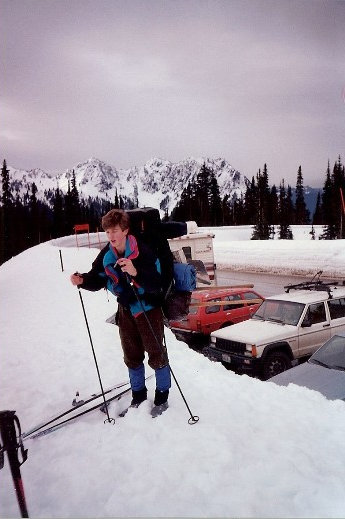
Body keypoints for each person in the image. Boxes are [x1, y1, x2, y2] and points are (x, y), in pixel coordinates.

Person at [70, 208, 172, 410]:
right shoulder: (107, 255)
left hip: (148, 308)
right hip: (126, 310)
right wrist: (82, 280)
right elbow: (97, 277)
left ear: (125, 230)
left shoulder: (143, 250)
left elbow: (156, 283)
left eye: (115, 231)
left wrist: (135, 272)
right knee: (131, 355)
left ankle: (162, 397)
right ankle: (138, 396)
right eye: (107, 232)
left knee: (157, 354)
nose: (111, 236)